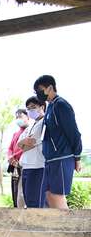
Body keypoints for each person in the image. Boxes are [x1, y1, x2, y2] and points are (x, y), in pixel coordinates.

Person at [34, 75, 82, 209]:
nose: (38, 93)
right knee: (49, 195)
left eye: (39, 90)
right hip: (50, 160)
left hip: (61, 158)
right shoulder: (50, 107)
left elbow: (74, 133)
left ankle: (67, 228)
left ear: (50, 88)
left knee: (57, 196)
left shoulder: (61, 105)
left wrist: (77, 157)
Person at [18, 96, 46, 208]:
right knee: (28, 200)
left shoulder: (43, 123)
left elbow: (31, 143)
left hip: (37, 166)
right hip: (26, 166)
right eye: (28, 108)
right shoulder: (30, 125)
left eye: (33, 107)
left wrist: (23, 143)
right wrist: (23, 143)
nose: (30, 111)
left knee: (36, 203)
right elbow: (19, 144)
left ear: (42, 107)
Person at [7, 109, 29, 208]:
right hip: (15, 166)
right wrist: (10, 157)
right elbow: (10, 148)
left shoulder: (30, 131)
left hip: (24, 165)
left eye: (20, 116)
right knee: (15, 191)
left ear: (27, 117)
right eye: (16, 117)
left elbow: (26, 147)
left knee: (22, 193)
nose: (18, 119)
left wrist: (15, 157)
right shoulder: (15, 133)